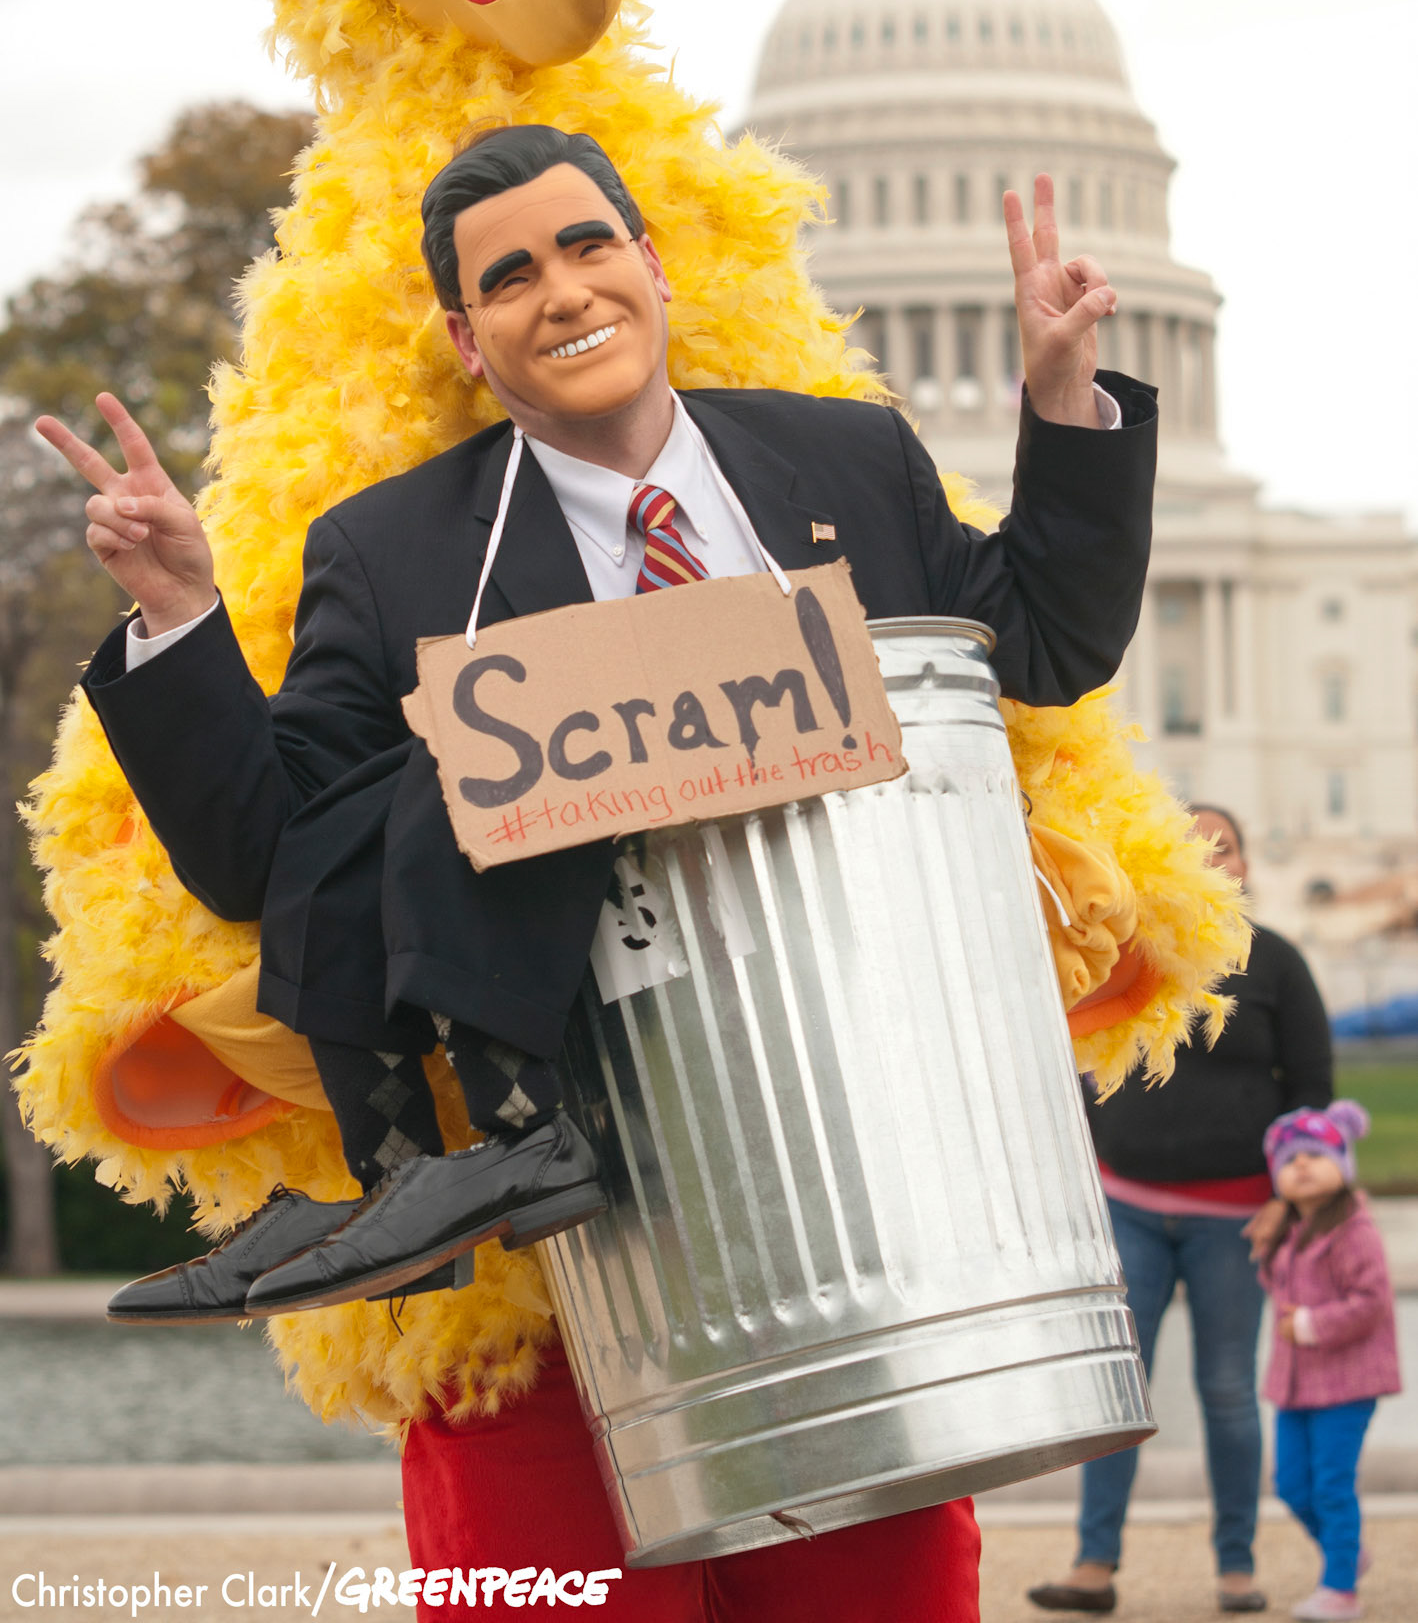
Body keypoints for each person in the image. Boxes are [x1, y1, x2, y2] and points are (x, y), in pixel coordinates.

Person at [37, 123, 1156, 1623]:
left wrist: (1063, 402)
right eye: (508, 277)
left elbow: (1047, 640)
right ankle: (431, 1168)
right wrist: (181, 611)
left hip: (864, 1213)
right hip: (557, 1288)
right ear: (466, 337)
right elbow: (271, 856)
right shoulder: (389, 551)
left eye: (585, 246)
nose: (560, 291)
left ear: (653, 263)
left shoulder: (848, 457)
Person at [1028, 804, 1333, 1617]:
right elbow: (1081, 1064)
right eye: (1192, 844)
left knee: (1227, 1390)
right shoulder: (1130, 958)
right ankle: (1094, 1566)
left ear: (1245, 867)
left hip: (1236, 1220)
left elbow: (1312, 1095)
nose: (1209, 855)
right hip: (1128, 1211)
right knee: (1119, 1395)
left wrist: (1286, 1204)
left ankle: (1236, 1566)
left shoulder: (1278, 963)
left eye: (1223, 846)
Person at [1259, 1102, 1401, 1622]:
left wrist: (1310, 1324)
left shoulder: (1354, 1230)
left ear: (1343, 1164)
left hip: (1347, 1383)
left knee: (1331, 1485)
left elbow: (1372, 1301)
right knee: (1290, 1484)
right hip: (1294, 1385)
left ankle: (1341, 1588)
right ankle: (1349, 1554)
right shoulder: (1287, 1231)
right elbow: (1278, 1287)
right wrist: (1264, 1249)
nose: (1302, 1165)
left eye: (1316, 1155)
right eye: (1291, 1159)